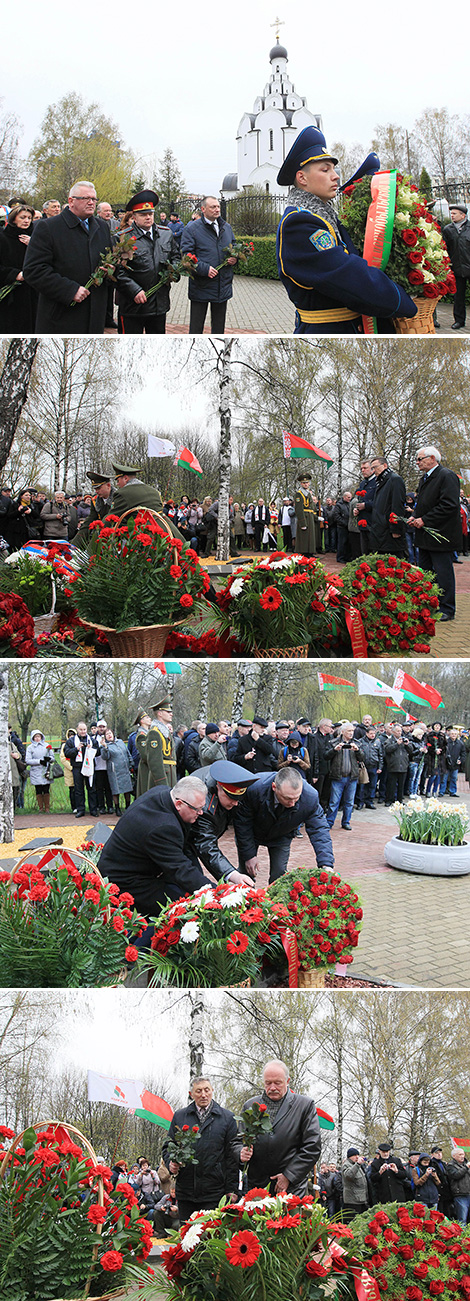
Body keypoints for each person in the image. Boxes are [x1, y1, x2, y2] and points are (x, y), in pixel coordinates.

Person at [275, 126, 417, 334]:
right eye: (325, 170)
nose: (336, 177)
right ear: (302, 178)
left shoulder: (324, 216)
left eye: (333, 169)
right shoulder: (299, 223)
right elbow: (349, 275)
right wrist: (401, 299)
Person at [97, 775, 214, 914]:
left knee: (187, 891)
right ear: (179, 804)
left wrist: (204, 886)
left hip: (135, 870)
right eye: (197, 809)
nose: (201, 813)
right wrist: (215, 894)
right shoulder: (163, 827)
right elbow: (180, 869)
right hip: (123, 882)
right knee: (183, 909)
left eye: (202, 807)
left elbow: (185, 853)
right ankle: (145, 936)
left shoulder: (164, 793)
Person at [23, 180, 115, 334]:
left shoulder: (102, 227)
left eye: (94, 199)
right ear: (71, 201)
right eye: (86, 198)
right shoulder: (48, 227)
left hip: (95, 316)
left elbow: (107, 259)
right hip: (61, 315)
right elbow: (33, 270)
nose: (91, 203)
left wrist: (110, 270)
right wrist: (69, 290)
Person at [234, 765, 334, 883]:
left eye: (296, 798)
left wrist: (326, 864)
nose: (292, 803)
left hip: (282, 835)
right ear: (274, 787)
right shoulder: (254, 788)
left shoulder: (309, 797)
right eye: (287, 798)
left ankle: (275, 901)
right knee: (246, 873)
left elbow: (319, 829)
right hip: (252, 832)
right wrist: (249, 855)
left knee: (279, 876)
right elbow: (242, 823)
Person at [238, 1059, 321, 1195]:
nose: (272, 1088)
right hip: (257, 1188)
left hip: (291, 1188)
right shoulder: (250, 1106)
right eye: (268, 1083)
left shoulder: (304, 1105)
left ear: (287, 1081)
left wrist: (289, 1175)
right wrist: (240, 1154)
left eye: (277, 1083)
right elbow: (238, 1140)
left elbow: (312, 1146)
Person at [163, 1076, 239, 1223]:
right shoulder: (180, 1116)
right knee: (187, 1238)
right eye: (198, 1091)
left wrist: (232, 1189)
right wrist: (170, 1162)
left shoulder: (227, 1118)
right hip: (186, 1191)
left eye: (206, 1090)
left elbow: (231, 1156)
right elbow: (169, 1145)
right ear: (191, 1094)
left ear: (212, 1091)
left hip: (215, 1192)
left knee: (210, 1238)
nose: (203, 1094)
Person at [114, 189, 179, 334]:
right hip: (133, 305)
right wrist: (134, 290)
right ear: (134, 217)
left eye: (150, 214)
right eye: (143, 215)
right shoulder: (122, 238)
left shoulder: (166, 234)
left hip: (159, 304)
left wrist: (173, 271)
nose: (148, 218)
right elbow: (117, 271)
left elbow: (176, 257)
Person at [409, 445, 462, 621]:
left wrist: (425, 520)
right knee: (426, 573)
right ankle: (429, 604)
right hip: (425, 535)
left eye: (420, 459)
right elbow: (423, 503)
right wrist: (415, 516)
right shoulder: (425, 479)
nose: (417, 462)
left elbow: (448, 505)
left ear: (432, 459)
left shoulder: (446, 476)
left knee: (443, 572)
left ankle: (447, 608)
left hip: (441, 535)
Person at [189, 759, 260, 886]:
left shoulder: (229, 783)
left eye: (238, 799)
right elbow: (206, 845)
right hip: (183, 841)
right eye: (232, 798)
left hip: (200, 839)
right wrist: (232, 874)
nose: (236, 803)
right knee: (193, 882)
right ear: (219, 788)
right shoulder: (203, 806)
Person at [181, 195, 237, 334]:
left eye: (218, 206)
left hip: (222, 285)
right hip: (201, 285)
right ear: (203, 209)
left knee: (219, 329)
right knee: (196, 328)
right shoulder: (192, 229)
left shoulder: (226, 227)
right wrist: (204, 269)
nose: (217, 209)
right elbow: (186, 255)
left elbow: (234, 246)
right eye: (213, 207)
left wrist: (234, 257)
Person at [0, 204, 37, 332]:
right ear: (13, 219)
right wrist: (15, 274)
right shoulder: (3, 238)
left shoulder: (37, 237)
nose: (26, 221)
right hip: (11, 293)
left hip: (33, 291)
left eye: (29, 218)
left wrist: (33, 244)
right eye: (22, 217)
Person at [325, 723, 364, 831]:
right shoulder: (333, 742)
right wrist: (334, 750)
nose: (351, 733)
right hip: (338, 777)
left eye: (352, 731)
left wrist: (357, 750)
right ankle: (329, 822)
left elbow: (362, 758)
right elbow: (326, 756)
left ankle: (346, 822)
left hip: (352, 777)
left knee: (349, 802)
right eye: (348, 731)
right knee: (334, 802)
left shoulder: (357, 743)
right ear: (342, 732)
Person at [369, 455, 407, 556]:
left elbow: (397, 505)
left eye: (375, 467)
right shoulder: (380, 482)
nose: (373, 471)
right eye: (372, 468)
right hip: (379, 529)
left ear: (384, 465)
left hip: (389, 530)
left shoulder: (395, 480)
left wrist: (396, 528)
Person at [442, 203, 470, 330]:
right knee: (458, 296)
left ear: (463, 215)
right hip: (457, 268)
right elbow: (445, 249)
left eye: (454, 214)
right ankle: (459, 320)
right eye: (451, 214)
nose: (452, 216)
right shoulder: (448, 230)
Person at [63, 722, 99, 818]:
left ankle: (93, 809)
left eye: (84, 729)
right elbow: (67, 753)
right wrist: (76, 749)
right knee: (78, 790)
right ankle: (80, 810)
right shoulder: (71, 741)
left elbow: (98, 752)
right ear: (77, 730)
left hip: (90, 767)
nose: (83, 731)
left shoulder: (92, 740)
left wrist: (91, 749)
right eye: (81, 729)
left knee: (91, 788)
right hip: (77, 768)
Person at [72, 470, 113, 546]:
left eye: (99, 488)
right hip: (101, 536)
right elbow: (90, 520)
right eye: (95, 489)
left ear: (108, 485)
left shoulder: (119, 498)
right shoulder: (95, 501)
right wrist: (75, 544)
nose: (96, 491)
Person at [103, 727, 133, 815]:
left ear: (113, 734)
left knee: (127, 789)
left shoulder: (120, 742)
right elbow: (105, 757)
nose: (109, 735)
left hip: (125, 769)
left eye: (110, 733)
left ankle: (128, 806)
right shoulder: (105, 745)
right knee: (116, 790)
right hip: (114, 771)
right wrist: (105, 748)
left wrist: (131, 763)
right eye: (106, 734)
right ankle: (117, 808)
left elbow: (127, 753)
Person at [25, 730, 54, 814]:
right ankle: (40, 808)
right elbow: (28, 760)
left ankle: (47, 808)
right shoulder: (30, 748)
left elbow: (52, 757)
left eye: (39, 736)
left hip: (46, 770)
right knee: (38, 789)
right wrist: (39, 761)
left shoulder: (47, 746)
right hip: (36, 771)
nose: (37, 738)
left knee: (46, 789)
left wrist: (49, 759)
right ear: (33, 738)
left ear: (41, 737)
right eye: (35, 737)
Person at [341, 1149, 369, 1219]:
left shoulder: (356, 1165)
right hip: (352, 1201)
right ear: (349, 1157)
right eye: (355, 1155)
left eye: (358, 1155)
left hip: (361, 1200)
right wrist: (358, 1164)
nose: (357, 1157)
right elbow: (349, 1175)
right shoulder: (346, 1165)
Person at [294, 473, 317, 555]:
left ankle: (310, 552)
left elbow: (311, 507)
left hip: (310, 517)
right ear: (301, 484)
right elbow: (299, 509)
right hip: (305, 518)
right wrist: (302, 522)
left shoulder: (308, 493)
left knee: (310, 537)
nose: (306, 484)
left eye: (307, 482)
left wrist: (315, 517)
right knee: (304, 538)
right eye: (304, 483)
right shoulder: (299, 494)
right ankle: (305, 554)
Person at [446, 1148, 470, 1223]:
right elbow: (456, 1175)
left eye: (463, 1154)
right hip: (460, 1194)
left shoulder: (466, 1163)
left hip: (469, 1193)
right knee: (462, 1218)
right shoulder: (451, 1166)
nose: (462, 1156)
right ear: (454, 1156)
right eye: (460, 1154)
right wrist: (466, 1167)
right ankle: (462, 1234)